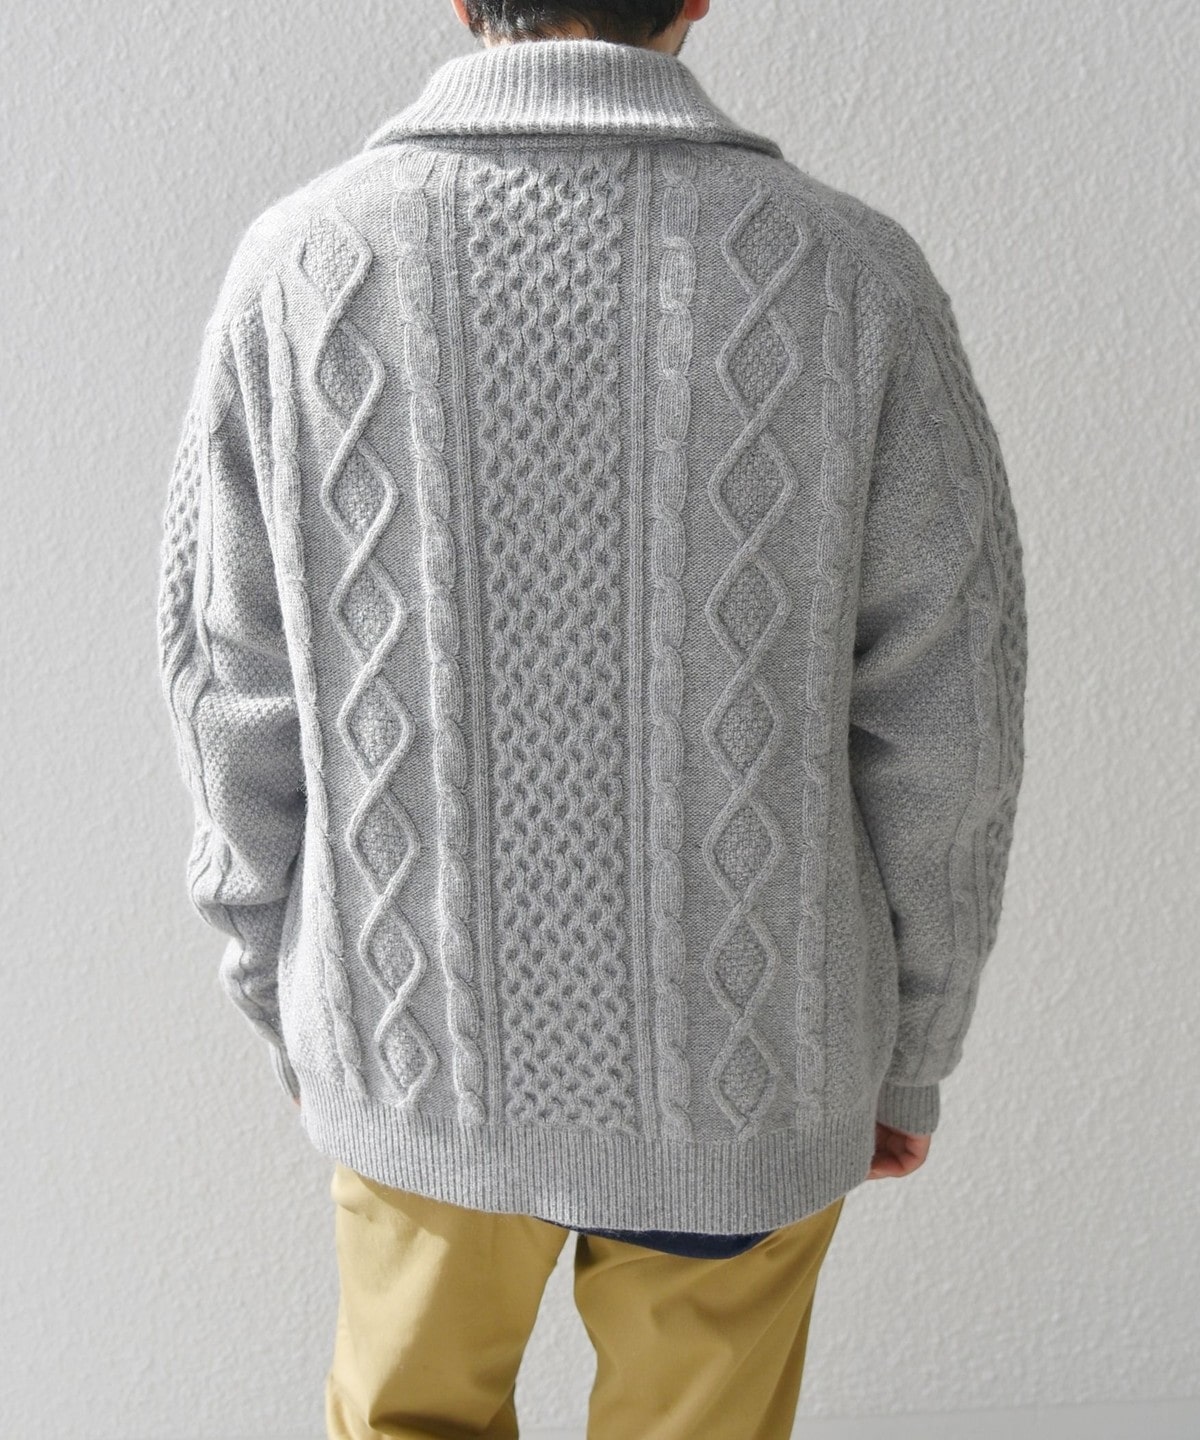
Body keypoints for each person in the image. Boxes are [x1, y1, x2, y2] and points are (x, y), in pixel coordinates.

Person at [155, 1, 1028, 1434]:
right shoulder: (855, 275)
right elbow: (952, 709)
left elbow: (228, 682)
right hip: (752, 1055)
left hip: (414, 1042)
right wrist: (913, 1040)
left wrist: (283, 985)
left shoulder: (303, 265)